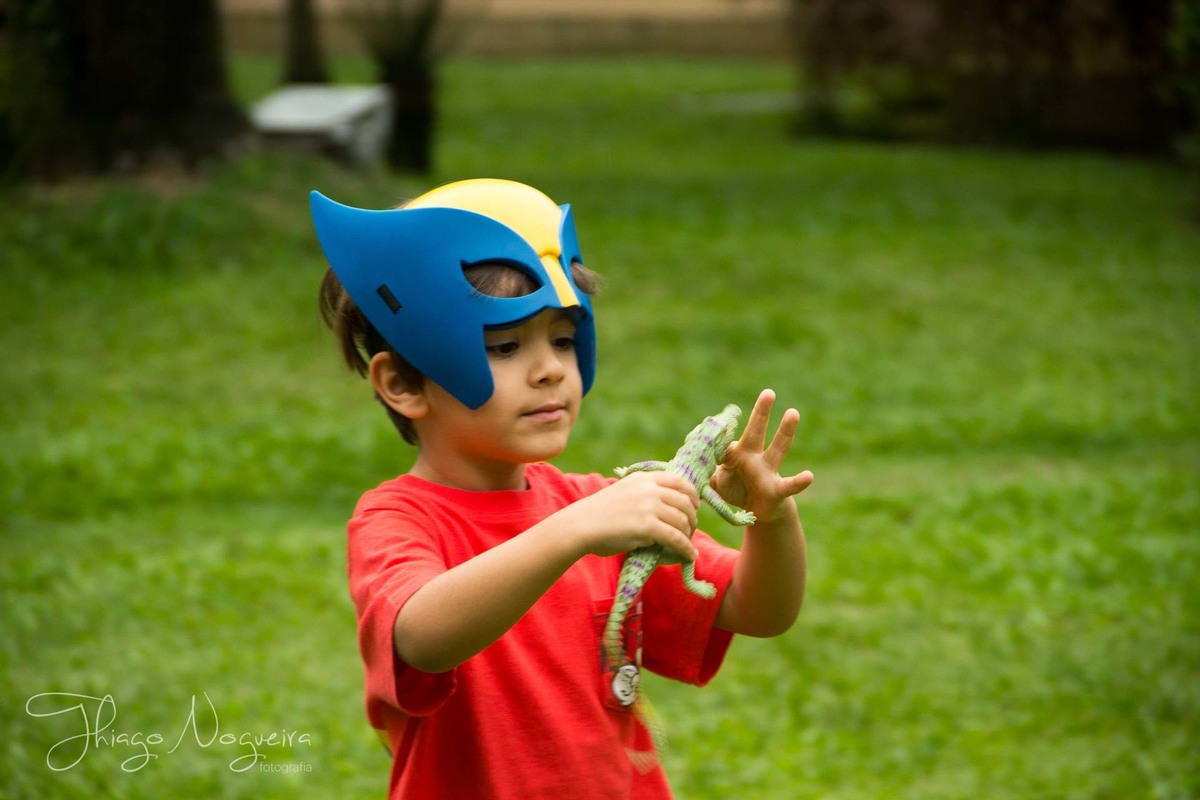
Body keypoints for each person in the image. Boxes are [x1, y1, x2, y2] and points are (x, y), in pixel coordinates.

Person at [312, 178, 813, 799]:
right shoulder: (400, 519)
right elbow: (420, 637)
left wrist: (772, 520)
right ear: (405, 386)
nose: (550, 368)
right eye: (504, 345)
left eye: (563, 339)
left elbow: (756, 609)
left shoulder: (597, 506)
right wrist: (572, 531)